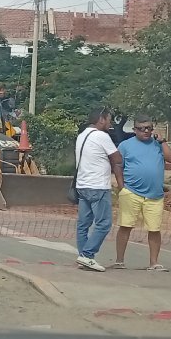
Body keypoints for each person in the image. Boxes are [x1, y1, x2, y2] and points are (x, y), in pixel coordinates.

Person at [112, 116, 171, 271]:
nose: (146, 131)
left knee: (154, 229)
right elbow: (118, 166)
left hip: (154, 195)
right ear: (134, 130)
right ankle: (119, 261)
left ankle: (154, 263)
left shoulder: (157, 144)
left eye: (149, 128)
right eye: (142, 129)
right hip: (131, 192)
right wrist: (122, 187)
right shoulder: (125, 145)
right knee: (125, 226)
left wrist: (162, 142)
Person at [72, 108, 124, 272]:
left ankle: (83, 256)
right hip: (98, 186)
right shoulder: (102, 136)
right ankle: (88, 255)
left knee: (83, 224)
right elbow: (118, 158)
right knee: (104, 223)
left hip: (82, 185)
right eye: (109, 119)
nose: (110, 123)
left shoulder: (82, 136)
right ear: (101, 119)